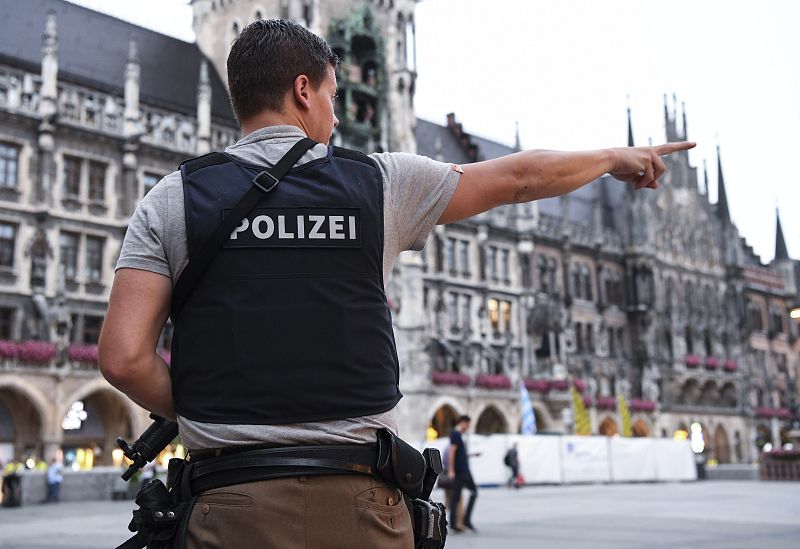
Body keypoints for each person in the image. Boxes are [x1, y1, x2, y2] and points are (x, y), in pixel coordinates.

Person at [97, 18, 693, 549]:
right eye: (331, 94)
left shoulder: (173, 198)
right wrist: (616, 157)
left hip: (229, 506)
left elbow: (123, 359)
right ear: (303, 91)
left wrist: (213, 406)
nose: (335, 113)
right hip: (362, 506)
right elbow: (520, 177)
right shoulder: (379, 185)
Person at [448, 415, 478, 533]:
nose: (469, 427)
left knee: (456, 496)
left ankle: (454, 523)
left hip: (462, 470)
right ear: (463, 422)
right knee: (473, 492)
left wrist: (472, 455)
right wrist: (451, 470)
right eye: (468, 424)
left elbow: (459, 454)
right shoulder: (456, 434)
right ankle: (465, 520)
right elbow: (452, 452)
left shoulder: (459, 435)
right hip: (461, 471)